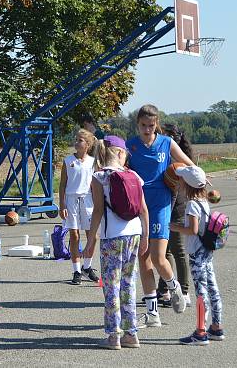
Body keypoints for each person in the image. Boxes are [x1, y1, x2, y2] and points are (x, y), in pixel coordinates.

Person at [126, 104, 195, 327]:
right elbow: (118, 167)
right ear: (137, 124)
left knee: (158, 258)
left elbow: (188, 163)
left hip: (161, 204)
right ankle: (152, 313)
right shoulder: (131, 146)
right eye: (143, 126)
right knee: (143, 258)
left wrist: (199, 180)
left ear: (157, 124)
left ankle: (173, 285)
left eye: (151, 126)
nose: (147, 130)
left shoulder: (166, 143)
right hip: (138, 205)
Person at [85, 135, 149, 350]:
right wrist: (146, 237)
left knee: (111, 285)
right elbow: (143, 210)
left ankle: (114, 335)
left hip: (111, 236)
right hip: (134, 234)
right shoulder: (134, 175)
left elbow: (98, 211)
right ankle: (131, 333)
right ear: (121, 153)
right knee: (129, 283)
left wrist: (91, 240)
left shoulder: (99, 177)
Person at [169, 165, 225, 345]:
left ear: (187, 185)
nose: (180, 183)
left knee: (201, 292)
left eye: (182, 180)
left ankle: (200, 332)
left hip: (196, 253)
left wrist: (172, 226)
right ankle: (216, 327)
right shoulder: (204, 202)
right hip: (207, 251)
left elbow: (192, 230)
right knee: (212, 288)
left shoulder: (192, 204)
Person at [157, 123, 193, 307]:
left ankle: (184, 291)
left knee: (178, 251)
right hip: (164, 206)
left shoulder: (177, 162)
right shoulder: (162, 157)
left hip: (177, 207)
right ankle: (164, 289)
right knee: (166, 252)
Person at [58, 129, 99, 285]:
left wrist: (98, 205)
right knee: (74, 235)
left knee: (92, 236)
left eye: (80, 140)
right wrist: (62, 204)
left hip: (88, 201)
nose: (77, 142)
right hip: (71, 200)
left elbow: (96, 185)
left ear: (87, 144)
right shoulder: (68, 161)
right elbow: (62, 184)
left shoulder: (92, 162)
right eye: (76, 139)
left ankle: (87, 267)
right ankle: (76, 270)